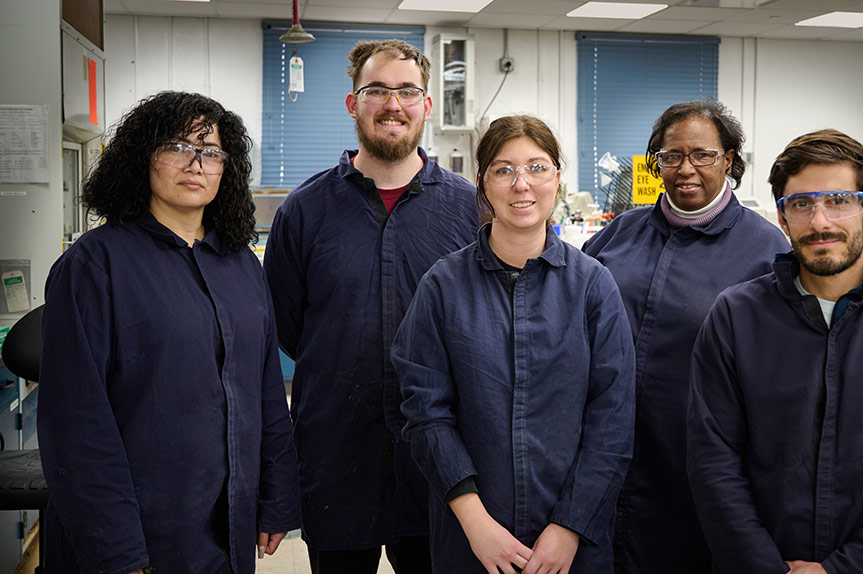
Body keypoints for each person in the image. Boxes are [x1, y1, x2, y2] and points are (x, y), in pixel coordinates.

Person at [687, 129, 863, 573]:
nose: (820, 222)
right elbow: (713, 465)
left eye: (839, 200)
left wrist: (841, 570)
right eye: (801, 204)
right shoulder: (735, 318)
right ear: (782, 218)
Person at [37, 91, 301, 574]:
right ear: (144, 158)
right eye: (177, 146)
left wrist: (277, 494)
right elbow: (76, 424)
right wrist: (118, 551)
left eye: (211, 151)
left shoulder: (241, 264)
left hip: (225, 524)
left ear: (227, 169)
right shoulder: (94, 265)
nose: (195, 163)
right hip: (135, 533)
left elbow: (265, 391)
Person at [264, 39, 479, 573]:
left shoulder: (469, 208)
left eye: (408, 91)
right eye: (376, 90)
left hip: (440, 457)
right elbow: (289, 327)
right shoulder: (304, 212)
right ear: (352, 103)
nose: (393, 104)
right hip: (337, 452)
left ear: (427, 104)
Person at [391, 115, 636, 574]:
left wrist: (570, 527)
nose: (521, 184)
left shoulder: (593, 287)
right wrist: (475, 521)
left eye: (537, 168)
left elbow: (613, 421)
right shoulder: (443, 286)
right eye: (503, 170)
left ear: (558, 179)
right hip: (473, 539)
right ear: (483, 184)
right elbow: (425, 413)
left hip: (572, 545)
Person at [582, 99, 789, 573]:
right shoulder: (619, 235)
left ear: (730, 160)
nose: (685, 169)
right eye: (671, 156)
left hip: (697, 466)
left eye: (703, 155)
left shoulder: (767, 250)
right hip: (605, 455)